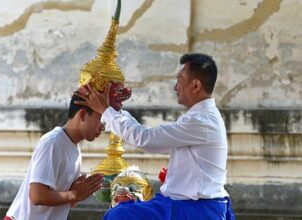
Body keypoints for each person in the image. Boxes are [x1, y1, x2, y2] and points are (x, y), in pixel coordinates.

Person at [75, 53, 235, 219]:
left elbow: (146, 139)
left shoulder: (201, 121)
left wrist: (106, 111)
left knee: (120, 215)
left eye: (179, 81)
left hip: (195, 210)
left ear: (195, 86)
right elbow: (149, 137)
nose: (175, 87)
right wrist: (114, 110)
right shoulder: (201, 118)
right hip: (186, 204)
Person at [3, 95, 104, 220]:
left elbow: (69, 202)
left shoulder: (75, 149)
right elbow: (37, 196)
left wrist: (80, 192)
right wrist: (74, 194)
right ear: (83, 114)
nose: (103, 127)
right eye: (101, 119)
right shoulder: (53, 143)